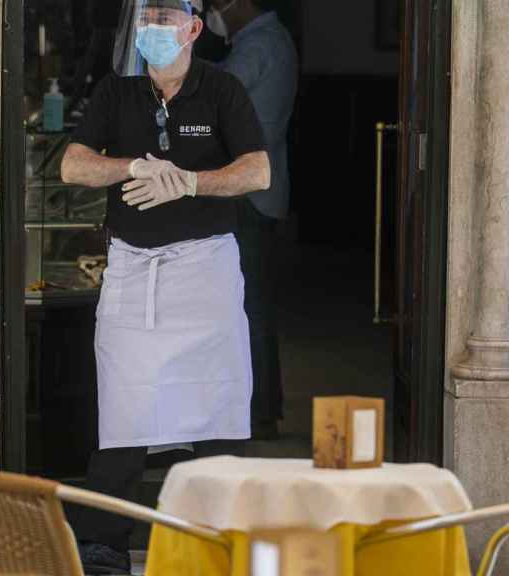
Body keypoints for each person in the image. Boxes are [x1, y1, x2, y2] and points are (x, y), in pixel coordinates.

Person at [59, 0, 270, 573]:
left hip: (205, 271)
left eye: (166, 18)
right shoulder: (115, 93)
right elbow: (74, 166)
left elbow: (257, 171)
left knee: (217, 404)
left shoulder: (223, 90)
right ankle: (104, 543)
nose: (154, 29)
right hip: (133, 269)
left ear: (194, 28)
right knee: (124, 406)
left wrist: (189, 183)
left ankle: (222, 537)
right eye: (147, 18)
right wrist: (135, 168)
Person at [205, 0, 298, 439]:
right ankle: (258, 409)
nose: (210, 12)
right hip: (258, 189)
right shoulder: (261, 42)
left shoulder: (259, 44)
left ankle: (260, 413)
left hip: (249, 192)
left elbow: (218, 93)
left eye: (214, 4)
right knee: (250, 304)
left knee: (251, 308)